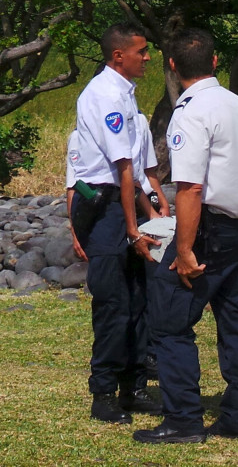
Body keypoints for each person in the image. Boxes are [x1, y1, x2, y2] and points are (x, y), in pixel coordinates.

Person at [133, 28, 238, 443]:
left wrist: (185, 249)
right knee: (236, 321)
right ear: (215, 61)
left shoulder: (190, 113)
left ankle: (184, 419)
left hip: (210, 229)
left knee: (169, 322)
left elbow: (189, 188)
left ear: (172, 66)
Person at [68, 22, 161, 425]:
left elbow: (139, 175)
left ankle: (134, 385)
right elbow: (122, 169)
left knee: (139, 299)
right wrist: (131, 229)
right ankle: (103, 391)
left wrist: (153, 213)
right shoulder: (104, 95)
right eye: (141, 51)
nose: (147, 57)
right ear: (118, 55)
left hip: (125, 204)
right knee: (113, 302)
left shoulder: (128, 97)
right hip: (105, 208)